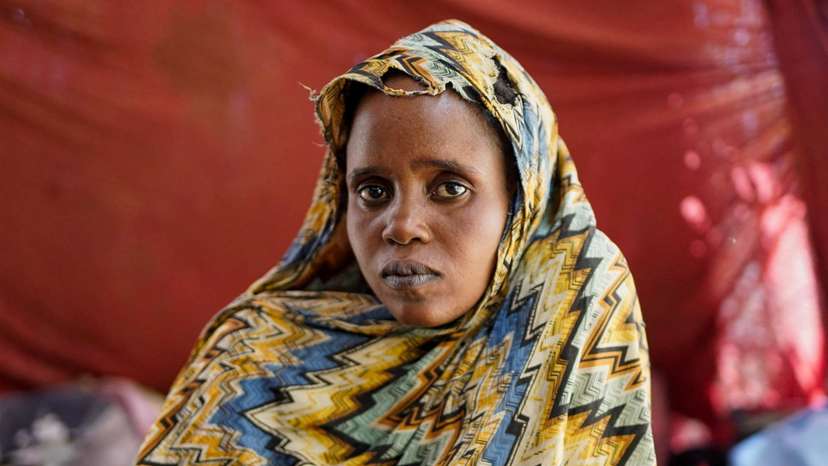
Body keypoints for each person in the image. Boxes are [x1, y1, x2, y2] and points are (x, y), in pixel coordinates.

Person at [135, 19, 655, 465]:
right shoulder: (251, 363)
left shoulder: (566, 308)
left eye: (449, 188)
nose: (400, 225)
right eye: (373, 190)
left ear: (519, 204)